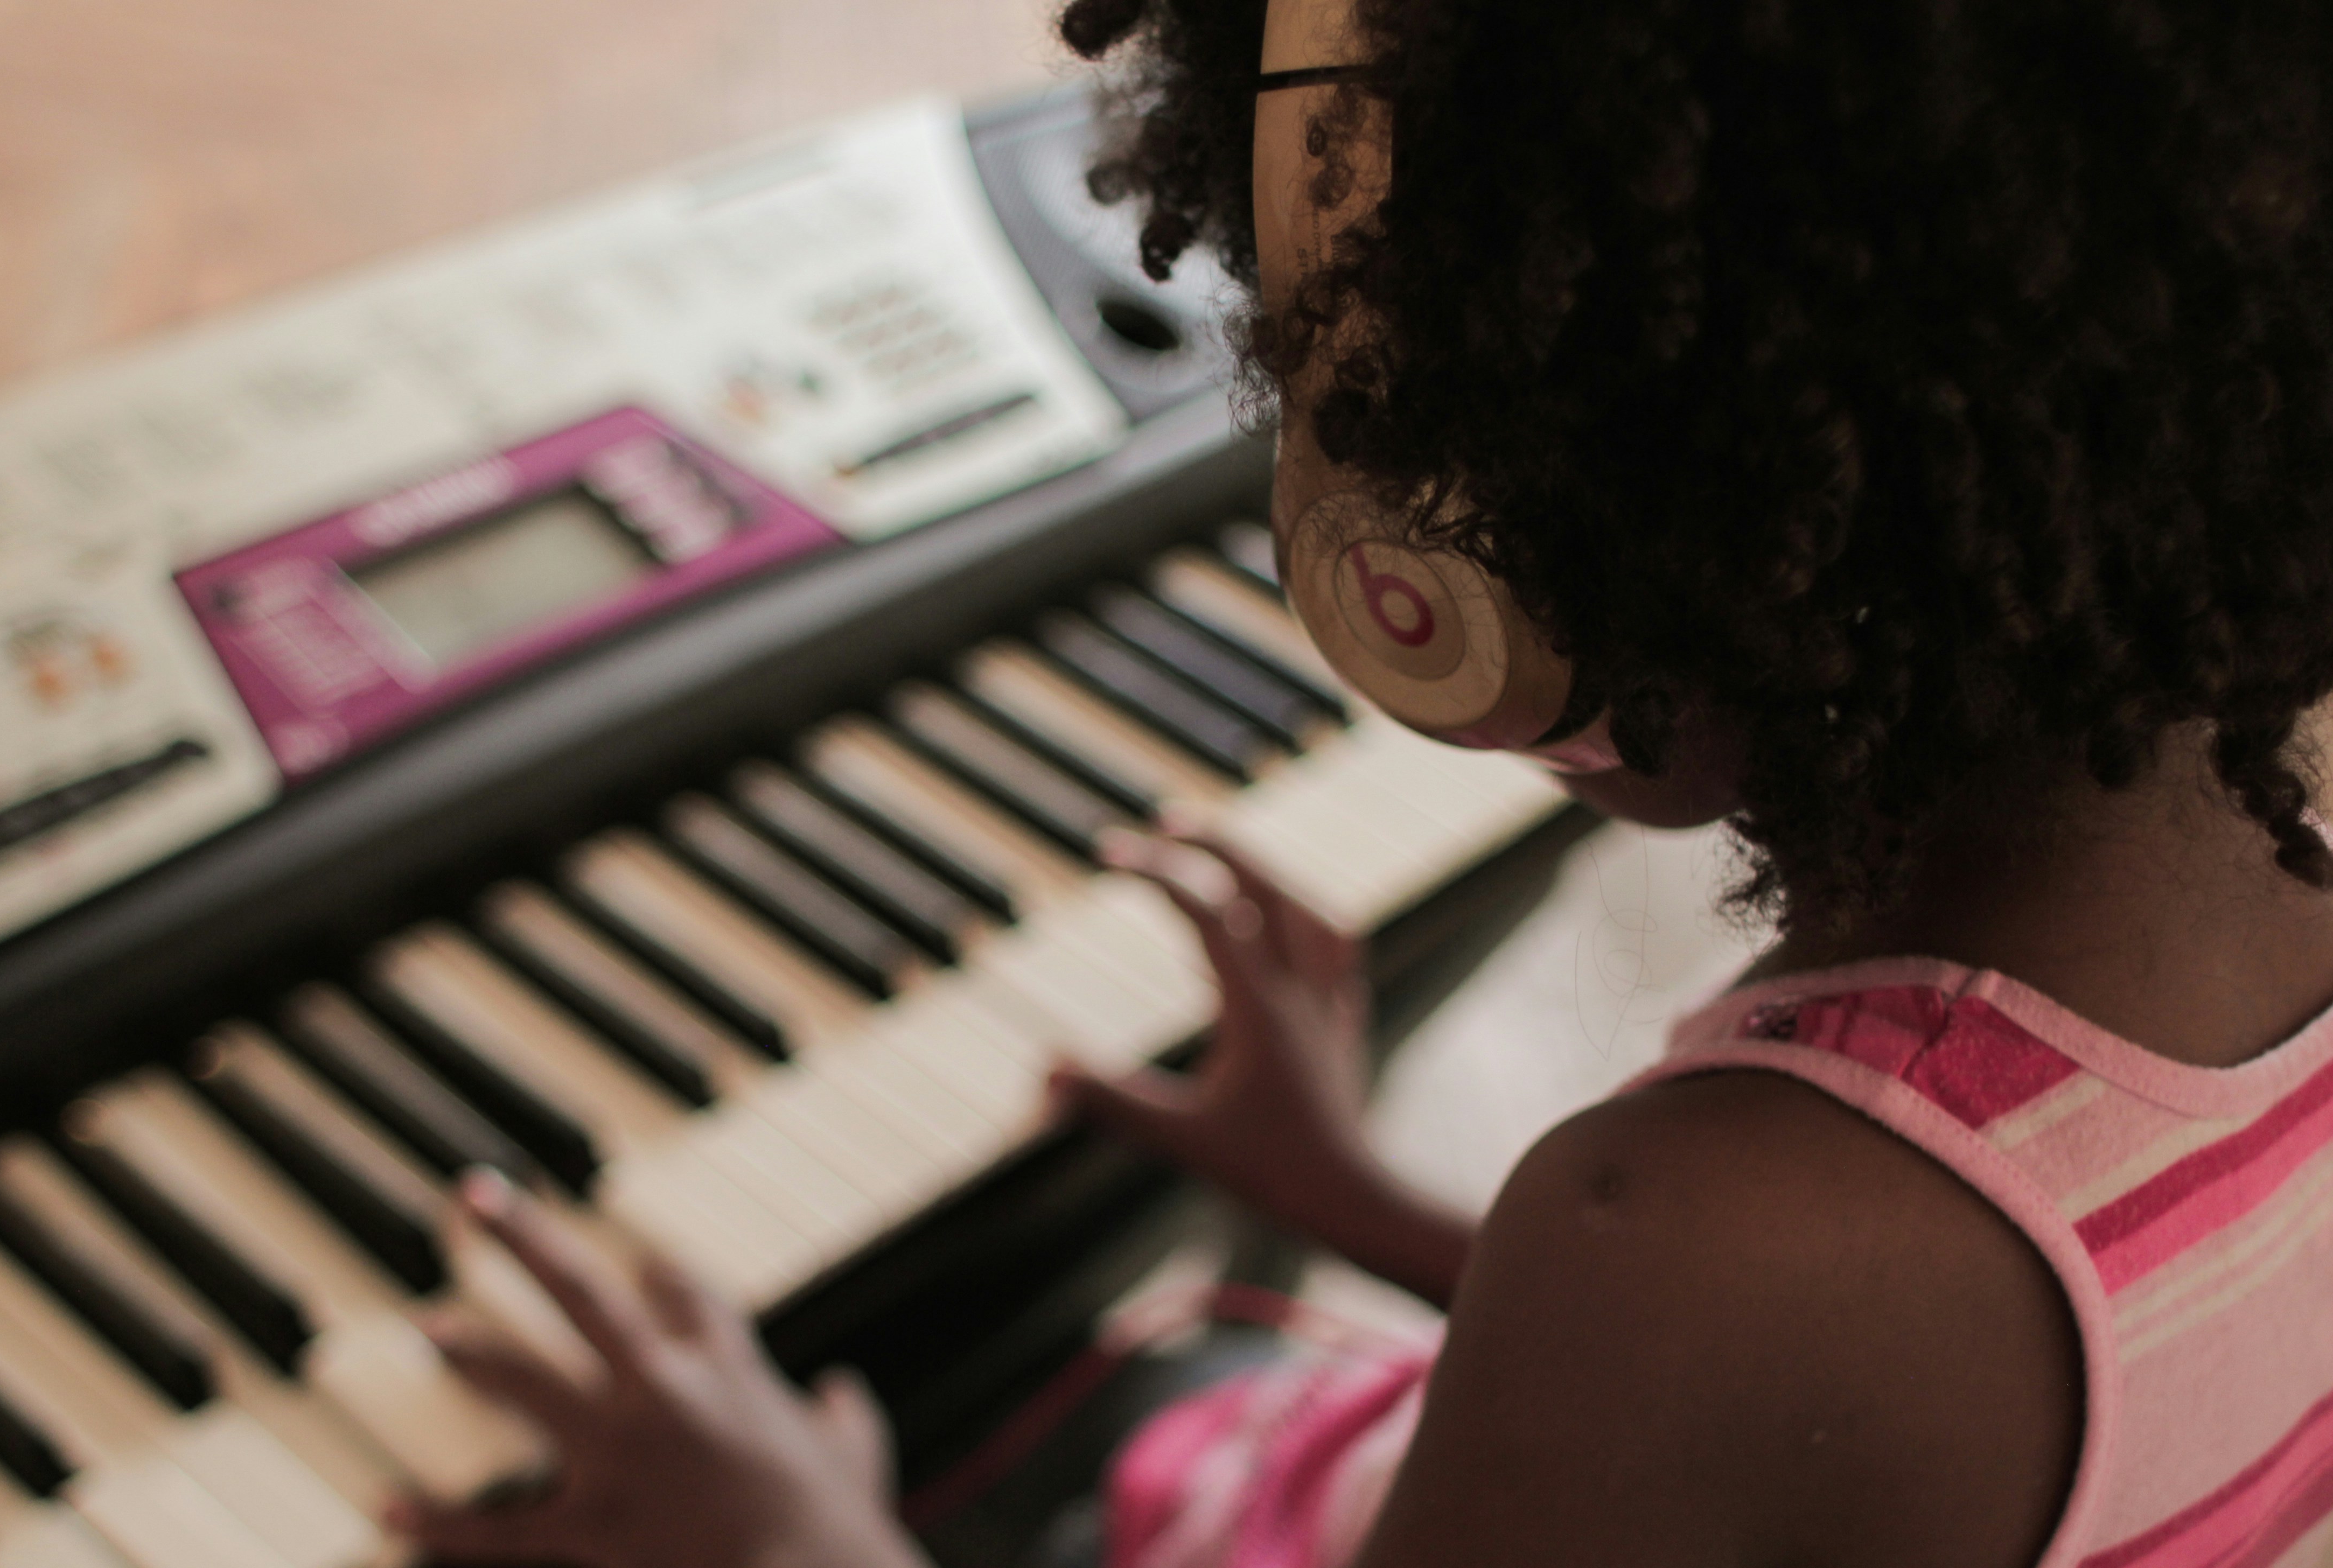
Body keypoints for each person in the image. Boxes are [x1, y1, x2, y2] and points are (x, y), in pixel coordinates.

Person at [388, 0, 2333, 1563]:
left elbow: (1735, 1365)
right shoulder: (1808, 1234)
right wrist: (1370, 1201)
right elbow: (1841, 1445)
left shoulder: (1681, 1246)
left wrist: (790, 1536)